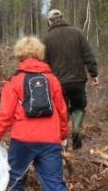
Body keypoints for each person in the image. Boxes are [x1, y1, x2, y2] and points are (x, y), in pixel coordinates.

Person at [0, 36, 78, 191]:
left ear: (19, 55)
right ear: (40, 54)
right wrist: (62, 134)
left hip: (22, 141)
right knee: (55, 185)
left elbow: (5, 114)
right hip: (50, 141)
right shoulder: (53, 80)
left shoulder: (15, 81)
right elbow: (63, 112)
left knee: (17, 181)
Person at [42, 9, 99, 149]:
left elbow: (44, 64)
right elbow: (88, 54)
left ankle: (63, 144)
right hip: (78, 81)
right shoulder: (77, 33)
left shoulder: (47, 39)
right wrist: (94, 74)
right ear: (62, 18)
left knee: (61, 112)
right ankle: (76, 135)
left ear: (49, 21)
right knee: (78, 107)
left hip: (58, 84)